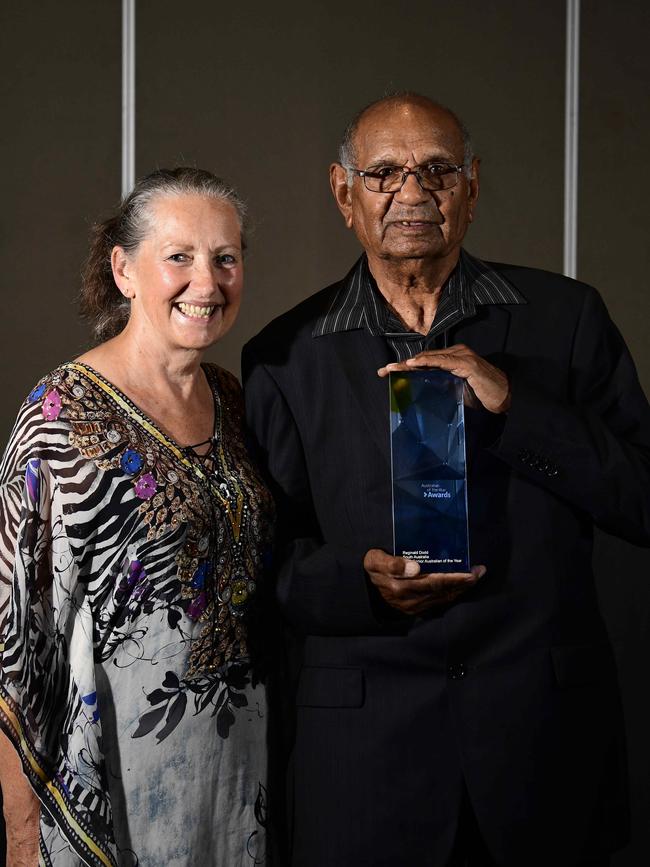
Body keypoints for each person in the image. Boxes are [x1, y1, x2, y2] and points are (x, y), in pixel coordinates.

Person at [242, 93, 650, 866]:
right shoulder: (285, 356)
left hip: (545, 749)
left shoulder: (567, 320)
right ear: (343, 194)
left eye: (437, 170)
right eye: (384, 173)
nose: (412, 193)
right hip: (366, 767)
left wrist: (514, 405)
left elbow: (641, 498)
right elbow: (269, 568)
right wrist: (360, 583)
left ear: (471, 186)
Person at [0, 167, 275, 866]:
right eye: (178, 256)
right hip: (112, 794)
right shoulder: (58, 417)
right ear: (124, 269)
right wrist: (21, 836)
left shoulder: (232, 400)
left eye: (225, 257)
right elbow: (15, 652)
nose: (206, 282)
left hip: (237, 784)